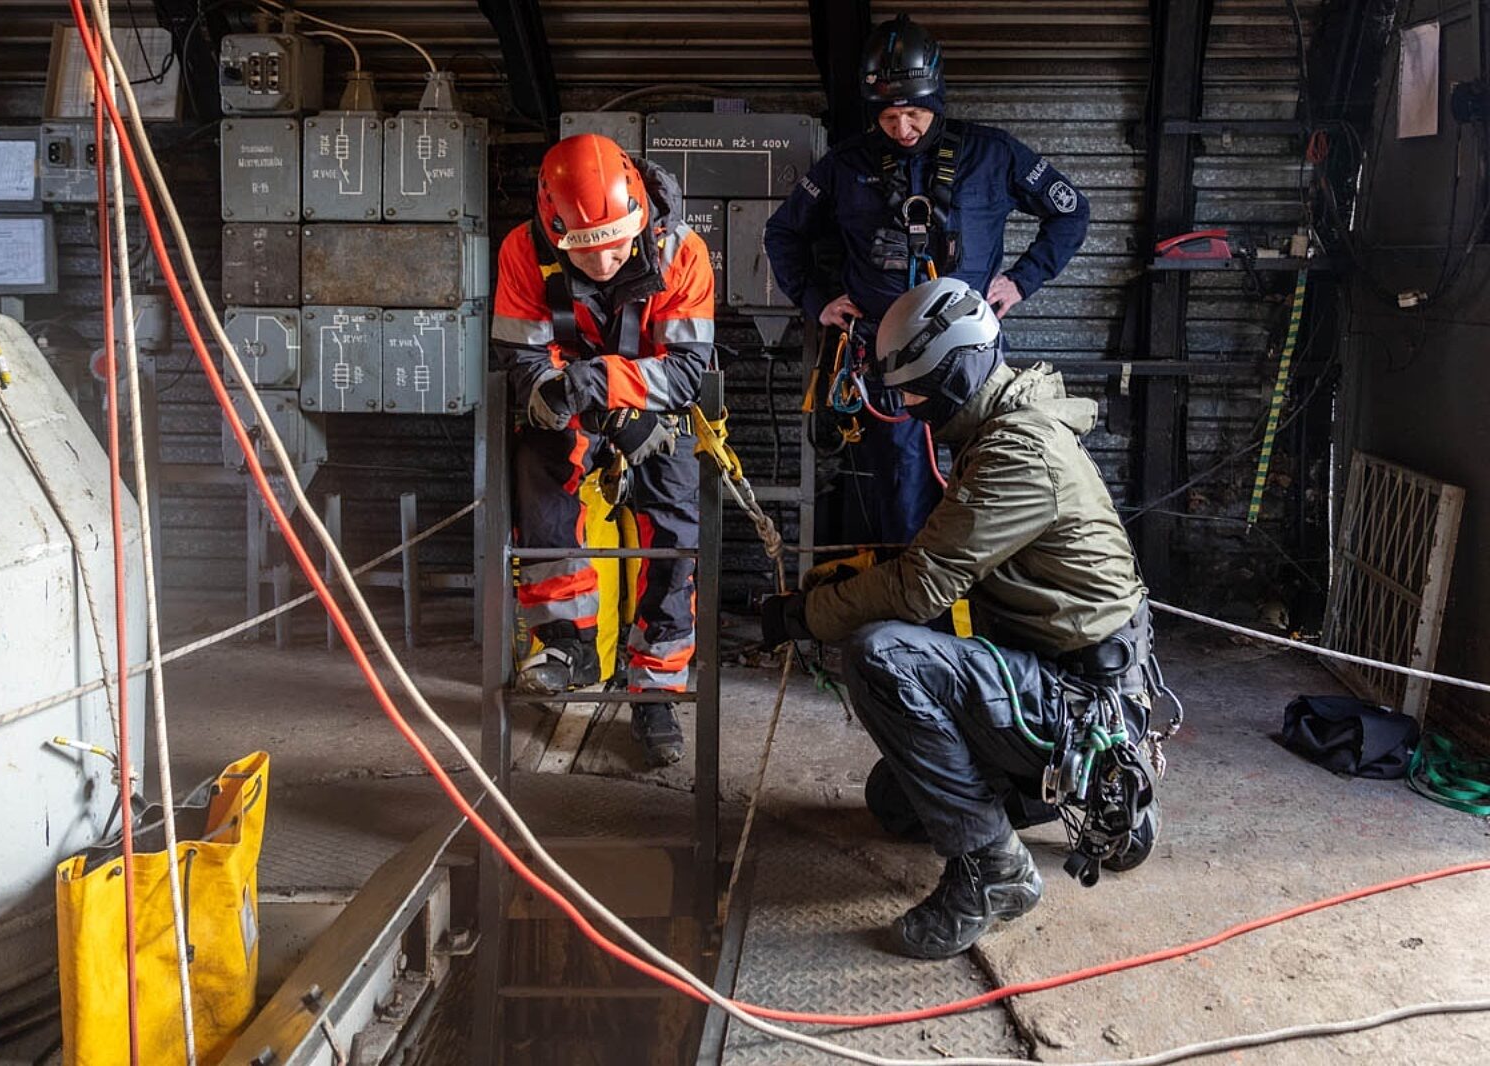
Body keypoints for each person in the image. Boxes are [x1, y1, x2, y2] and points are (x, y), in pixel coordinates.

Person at [761, 277, 1168, 960]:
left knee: (879, 655)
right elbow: (949, 559)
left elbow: (922, 586)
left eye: (915, 393)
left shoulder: (1017, 452)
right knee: (895, 803)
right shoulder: (1001, 424)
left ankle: (994, 869)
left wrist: (805, 615)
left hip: (1079, 698)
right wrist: (859, 578)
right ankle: (1104, 796)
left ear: (953, 378)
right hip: (1066, 671)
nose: (908, 409)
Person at [764, 13, 1090, 543]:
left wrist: (1022, 280)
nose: (903, 130)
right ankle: (910, 588)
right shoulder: (845, 165)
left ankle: (978, 586)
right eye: (889, 117)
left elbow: (1070, 210)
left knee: (990, 478)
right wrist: (817, 299)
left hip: (973, 359)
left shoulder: (993, 154)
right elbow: (783, 233)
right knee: (902, 491)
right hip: (885, 361)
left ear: (935, 99)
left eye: (914, 113)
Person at [492, 133, 717, 767]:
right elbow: (524, 360)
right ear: (553, 229)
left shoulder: (682, 252)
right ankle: (568, 645)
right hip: (571, 403)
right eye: (587, 250)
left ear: (640, 212)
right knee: (540, 475)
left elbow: (686, 370)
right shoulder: (522, 251)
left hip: (654, 406)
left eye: (618, 243)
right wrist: (578, 398)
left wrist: (608, 392)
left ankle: (655, 689)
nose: (607, 261)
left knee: (674, 526)